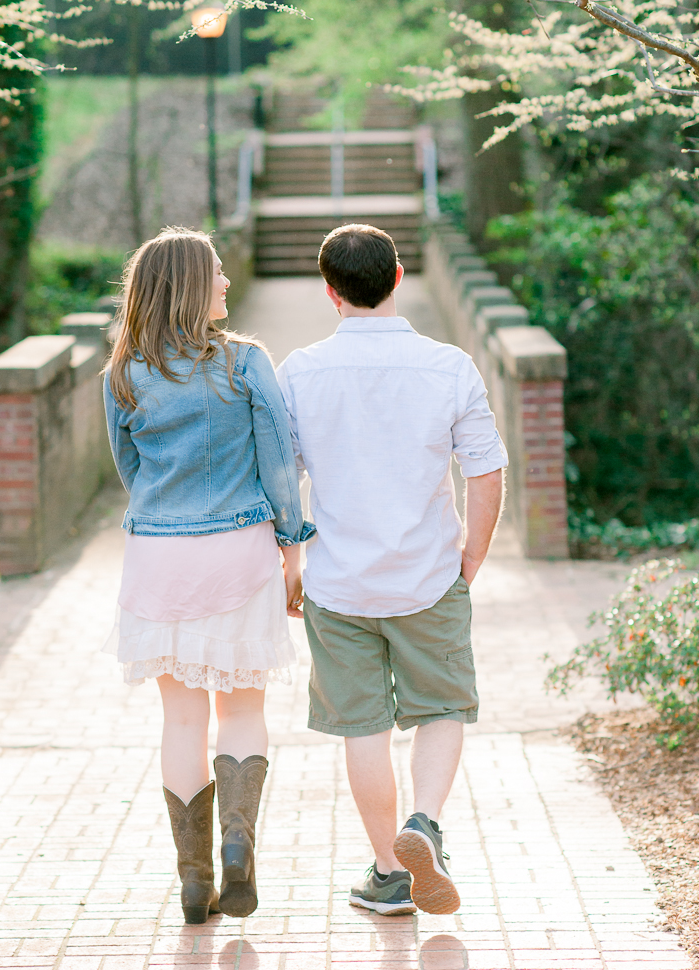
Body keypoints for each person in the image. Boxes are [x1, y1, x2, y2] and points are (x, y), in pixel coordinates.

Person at [276, 223, 507, 917]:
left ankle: (388, 872)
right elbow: (487, 470)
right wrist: (471, 555)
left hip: (339, 580)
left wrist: (291, 566)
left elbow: (280, 484)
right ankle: (424, 822)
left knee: (363, 726)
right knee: (440, 706)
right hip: (428, 572)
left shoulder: (301, 372)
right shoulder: (448, 366)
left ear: (330, 291)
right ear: (398, 278)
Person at [103, 227, 314, 925]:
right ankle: (235, 846)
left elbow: (129, 473)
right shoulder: (246, 364)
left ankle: (194, 881)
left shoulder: (123, 373)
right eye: (217, 273)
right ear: (193, 285)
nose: (226, 282)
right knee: (244, 712)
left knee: (181, 719)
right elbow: (280, 465)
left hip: (159, 559)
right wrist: (292, 548)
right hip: (238, 548)